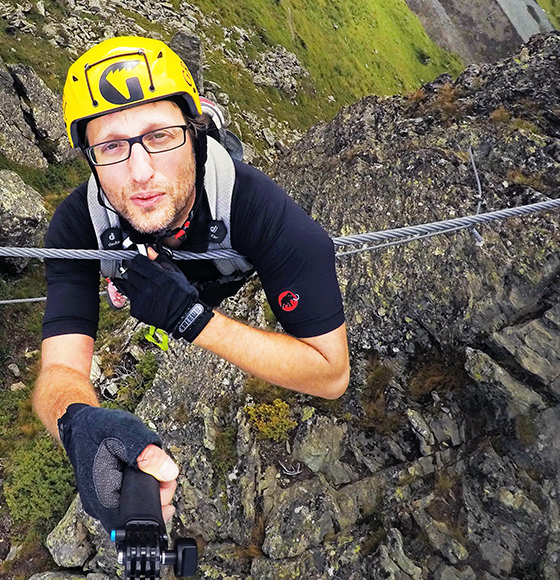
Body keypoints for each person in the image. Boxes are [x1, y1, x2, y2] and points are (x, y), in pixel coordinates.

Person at [32, 36, 348, 532]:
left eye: (160, 135)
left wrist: (189, 318)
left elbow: (331, 374)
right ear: (89, 158)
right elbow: (59, 370)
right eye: (111, 146)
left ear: (194, 133)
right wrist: (77, 423)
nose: (140, 171)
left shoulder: (256, 207)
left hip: (221, 278)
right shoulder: (78, 225)